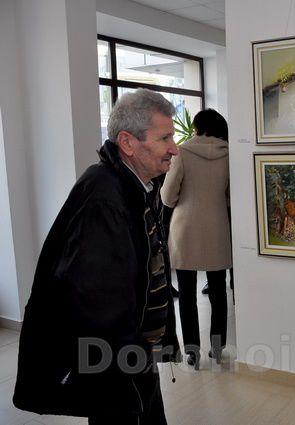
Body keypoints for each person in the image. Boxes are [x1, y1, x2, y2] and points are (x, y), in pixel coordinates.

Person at [13, 89, 182, 424]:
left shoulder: (136, 186)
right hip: (118, 365)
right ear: (128, 142)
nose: (174, 148)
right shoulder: (105, 198)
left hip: (132, 356)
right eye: (164, 138)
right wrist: (132, 360)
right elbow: (99, 302)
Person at [161, 108, 232, 368]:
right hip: (217, 227)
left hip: (186, 229)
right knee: (218, 291)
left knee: (187, 294)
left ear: (197, 128)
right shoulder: (230, 153)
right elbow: (231, 195)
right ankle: (218, 347)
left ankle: (192, 351)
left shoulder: (182, 152)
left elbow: (168, 196)